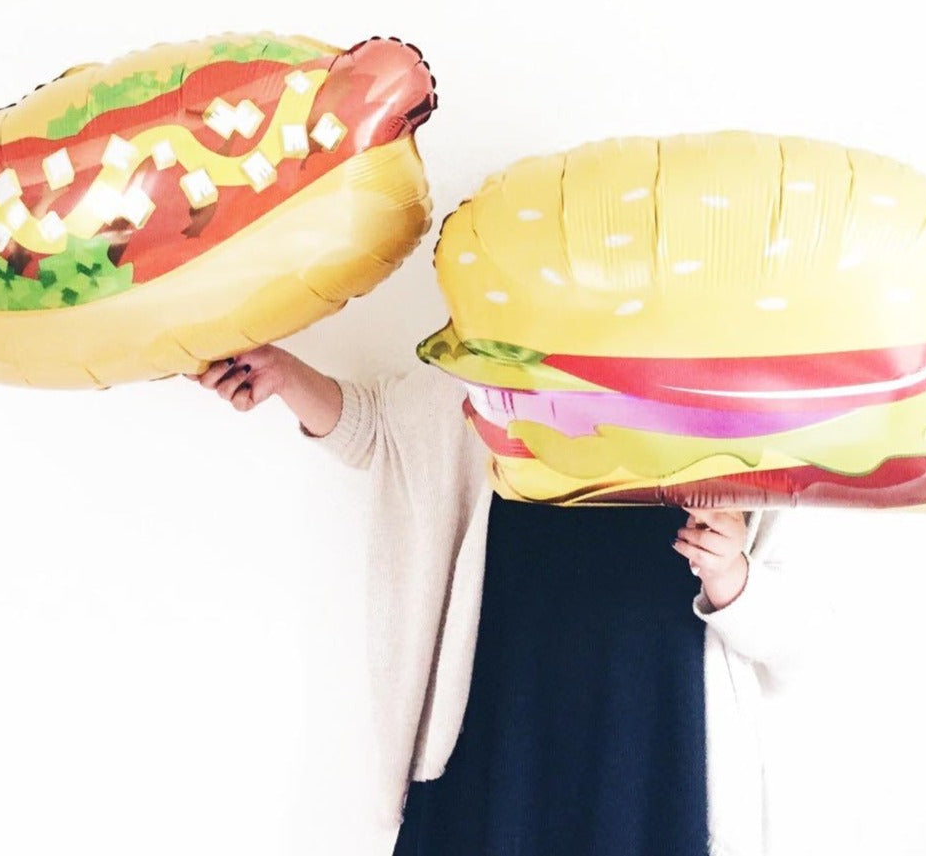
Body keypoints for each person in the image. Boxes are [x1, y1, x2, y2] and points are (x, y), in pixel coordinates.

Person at [190, 345, 808, 856]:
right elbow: (379, 429)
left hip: (654, 761)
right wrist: (284, 373)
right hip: (498, 736)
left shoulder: (737, 399)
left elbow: (802, 640)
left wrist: (731, 576)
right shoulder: (494, 362)